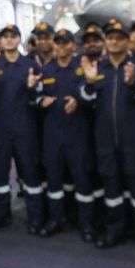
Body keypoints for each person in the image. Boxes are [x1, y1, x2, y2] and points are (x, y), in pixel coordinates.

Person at [77, 20, 135, 253]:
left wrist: (134, 85)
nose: (114, 42)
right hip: (105, 140)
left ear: (127, 41)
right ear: (106, 41)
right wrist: (90, 83)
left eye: (119, 38)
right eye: (110, 38)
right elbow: (85, 100)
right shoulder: (98, 68)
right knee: (111, 186)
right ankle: (115, 229)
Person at [0, 24, 42, 234]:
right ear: (0, 41)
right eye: (4, 37)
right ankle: (1, 216)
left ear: (18, 39)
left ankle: (35, 218)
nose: (8, 40)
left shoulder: (30, 65)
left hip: (24, 128)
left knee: (29, 173)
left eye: (13, 36)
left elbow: (37, 99)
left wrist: (33, 88)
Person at [35, 29, 91, 238]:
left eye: (65, 42)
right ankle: (56, 219)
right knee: (54, 179)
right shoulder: (47, 69)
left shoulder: (82, 67)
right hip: (53, 134)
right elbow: (37, 96)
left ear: (73, 46)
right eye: (58, 42)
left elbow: (92, 94)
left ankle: (86, 223)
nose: (61, 46)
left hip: (77, 133)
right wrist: (41, 100)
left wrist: (79, 100)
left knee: (81, 178)